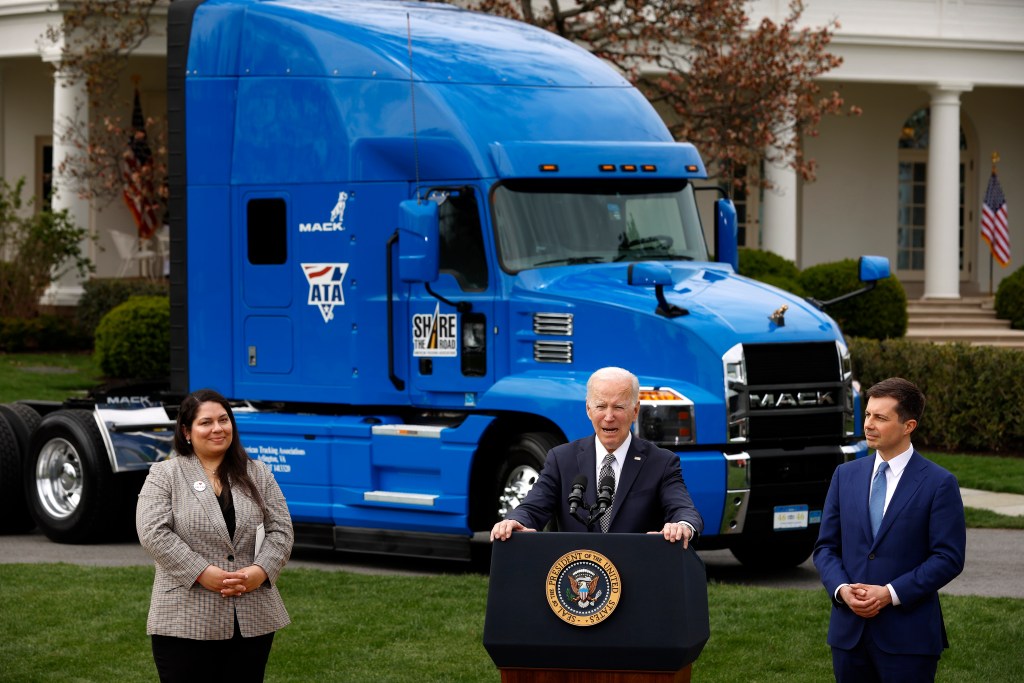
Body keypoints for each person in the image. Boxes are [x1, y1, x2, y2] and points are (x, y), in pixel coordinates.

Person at [813, 377, 966, 683]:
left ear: (909, 425)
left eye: (880, 418)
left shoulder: (939, 483)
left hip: (908, 637)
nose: (869, 424)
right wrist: (843, 591)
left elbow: (948, 558)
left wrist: (890, 594)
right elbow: (826, 548)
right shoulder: (845, 475)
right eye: (868, 414)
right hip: (848, 634)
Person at [137, 389, 294, 682]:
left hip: (252, 616)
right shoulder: (164, 474)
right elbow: (152, 532)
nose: (217, 428)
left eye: (224, 420)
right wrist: (201, 572)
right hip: (184, 619)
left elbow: (281, 530)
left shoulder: (258, 472)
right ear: (186, 431)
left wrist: (261, 571)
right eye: (206, 422)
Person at [490, 366, 703, 545]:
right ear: (588, 410)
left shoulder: (662, 462)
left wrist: (682, 527)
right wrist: (514, 521)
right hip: (576, 579)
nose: (609, 417)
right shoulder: (561, 458)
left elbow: (685, 511)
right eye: (601, 406)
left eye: (618, 407)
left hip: (637, 576)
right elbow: (532, 508)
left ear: (635, 411)